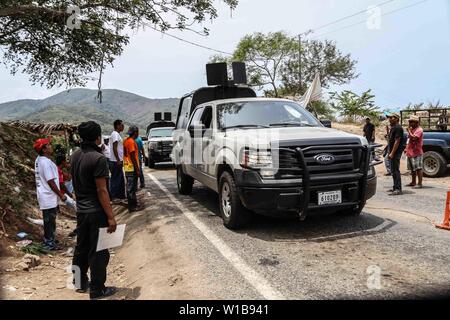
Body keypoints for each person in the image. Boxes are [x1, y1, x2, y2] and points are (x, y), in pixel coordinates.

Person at [71, 121, 117, 300]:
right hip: (96, 212)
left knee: (81, 247)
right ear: (98, 137)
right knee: (99, 251)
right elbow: (102, 190)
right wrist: (111, 217)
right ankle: (98, 290)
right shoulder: (98, 159)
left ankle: (79, 282)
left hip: (81, 211)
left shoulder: (75, 155)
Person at [34, 138, 72, 250]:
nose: (51, 146)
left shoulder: (40, 160)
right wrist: (61, 195)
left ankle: (50, 239)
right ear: (44, 149)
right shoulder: (45, 162)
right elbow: (50, 181)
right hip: (47, 195)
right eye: (49, 145)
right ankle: (48, 243)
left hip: (46, 195)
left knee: (50, 219)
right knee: (49, 221)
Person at [123, 126, 141, 212]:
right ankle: (132, 206)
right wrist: (137, 169)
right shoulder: (130, 142)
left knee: (132, 188)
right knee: (131, 188)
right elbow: (133, 156)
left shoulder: (126, 140)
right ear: (135, 132)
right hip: (131, 167)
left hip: (128, 167)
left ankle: (134, 203)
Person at [387, 112, 405, 196]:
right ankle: (395, 187)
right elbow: (392, 140)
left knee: (396, 170)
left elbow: (397, 141)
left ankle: (398, 189)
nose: (390, 119)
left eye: (391, 117)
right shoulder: (393, 127)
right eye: (389, 118)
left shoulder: (398, 128)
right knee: (393, 170)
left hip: (396, 152)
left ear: (397, 119)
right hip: (392, 152)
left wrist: (392, 153)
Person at [108, 120, 126, 202]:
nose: (123, 127)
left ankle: (121, 195)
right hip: (115, 161)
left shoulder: (117, 134)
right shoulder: (115, 134)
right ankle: (114, 196)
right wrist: (118, 159)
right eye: (122, 125)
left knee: (120, 178)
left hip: (117, 160)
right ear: (118, 126)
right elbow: (114, 147)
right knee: (115, 179)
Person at [405, 115, 424, 189]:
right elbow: (409, 139)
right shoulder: (412, 129)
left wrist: (409, 131)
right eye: (409, 121)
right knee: (412, 168)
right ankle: (413, 182)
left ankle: (420, 183)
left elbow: (413, 138)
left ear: (416, 122)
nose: (409, 123)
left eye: (411, 122)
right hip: (410, 151)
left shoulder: (419, 130)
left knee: (418, 168)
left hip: (417, 151)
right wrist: (406, 148)